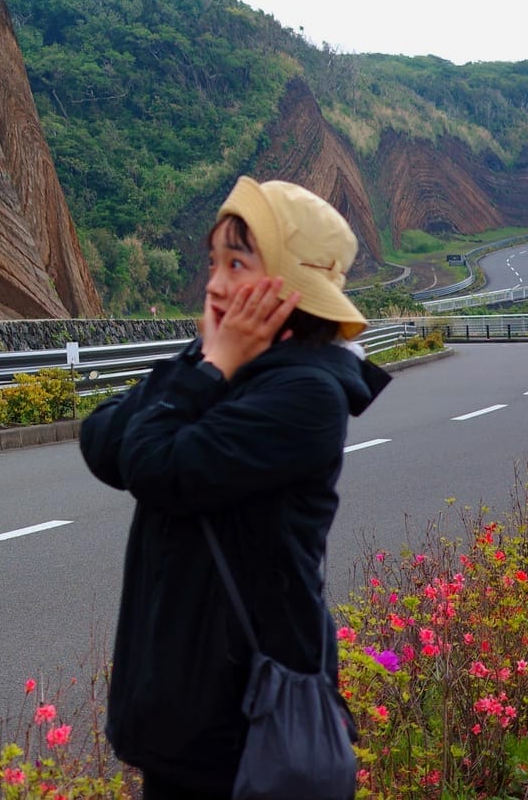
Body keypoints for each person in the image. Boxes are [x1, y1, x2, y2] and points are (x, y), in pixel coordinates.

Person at [79, 176, 390, 800]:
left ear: (288, 285)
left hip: (244, 730)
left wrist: (213, 365)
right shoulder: (225, 370)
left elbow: (157, 466)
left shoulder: (305, 395)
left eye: (238, 263)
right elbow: (103, 439)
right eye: (214, 262)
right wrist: (208, 361)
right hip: (186, 726)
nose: (215, 283)